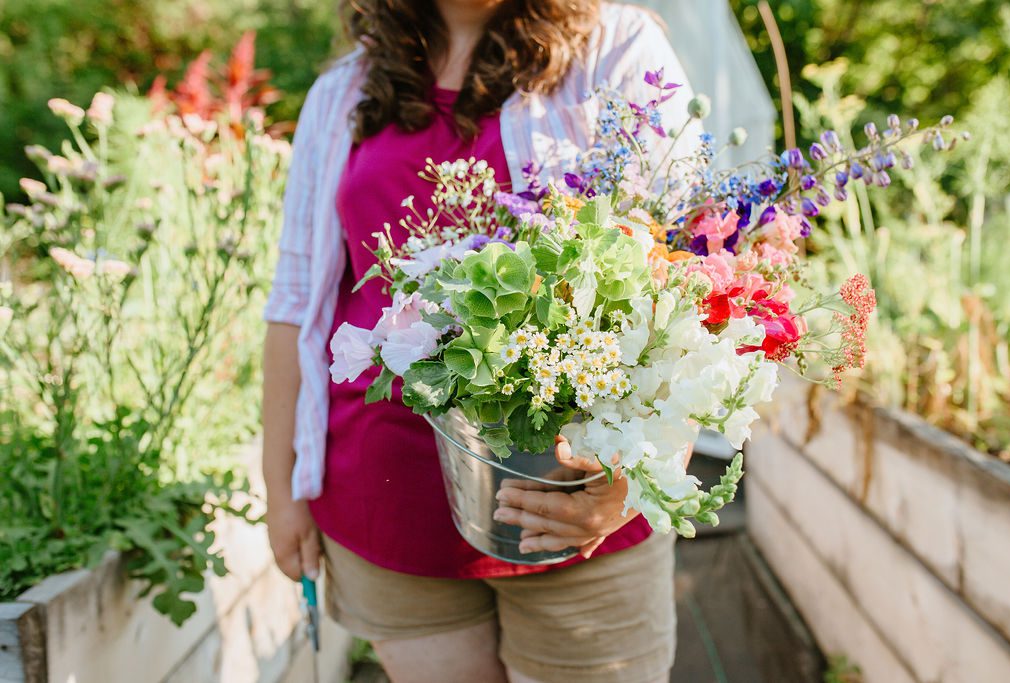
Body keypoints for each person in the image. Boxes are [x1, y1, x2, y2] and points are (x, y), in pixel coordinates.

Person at [262, 2, 700, 681]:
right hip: (387, 508)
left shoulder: (615, 50)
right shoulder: (344, 92)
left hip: (572, 511)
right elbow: (296, 299)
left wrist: (632, 483)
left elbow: (686, 278)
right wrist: (280, 483)